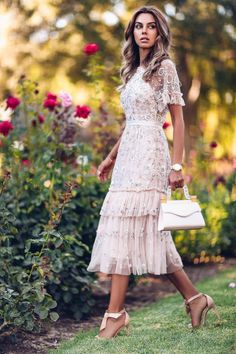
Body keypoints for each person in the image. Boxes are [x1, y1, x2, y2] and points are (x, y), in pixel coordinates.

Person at [87, 5, 220, 339]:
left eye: (150, 27)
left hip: (150, 154)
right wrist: (110, 158)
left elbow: (177, 120)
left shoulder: (166, 67)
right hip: (129, 154)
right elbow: (130, 123)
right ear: (132, 33)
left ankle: (115, 315)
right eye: (138, 27)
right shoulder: (134, 69)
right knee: (140, 229)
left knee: (135, 226)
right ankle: (195, 298)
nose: (143, 32)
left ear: (159, 32)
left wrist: (177, 166)